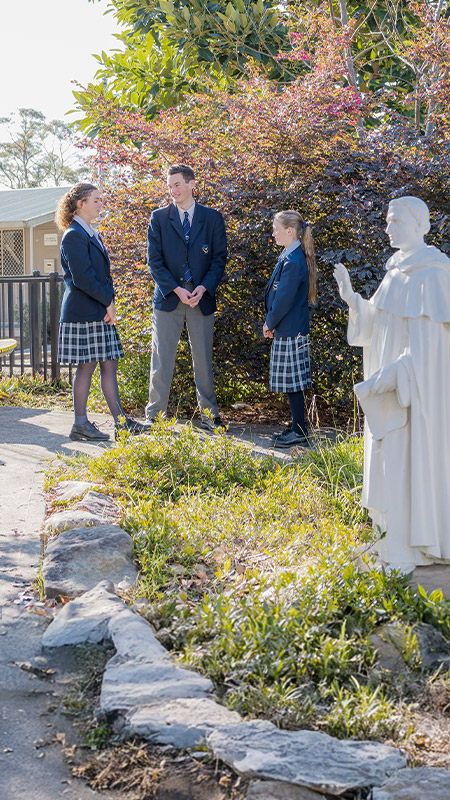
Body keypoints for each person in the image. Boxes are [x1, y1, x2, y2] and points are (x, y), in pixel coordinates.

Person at [334, 196, 450, 572]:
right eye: (387, 220)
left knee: (407, 461)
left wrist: (395, 375)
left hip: (410, 395)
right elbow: (379, 324)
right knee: (388, 462)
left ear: (421, 225)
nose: (387, 228)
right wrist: (354, 301)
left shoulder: (434, 275)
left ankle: (409, 547)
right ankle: (390, 541)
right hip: (386, 390)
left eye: (395, 221)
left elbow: (431, 352)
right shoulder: (395, 272)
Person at [55, 182, 151, 441]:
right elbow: (83, 279)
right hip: (84, 312)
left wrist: (110, 302)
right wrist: (108, 302)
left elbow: (102, 275)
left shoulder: (88, 232)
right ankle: (80, 424)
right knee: (87, 367)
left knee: (110, 364)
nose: (101, 203)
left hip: (98, 310)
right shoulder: (74, 234)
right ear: (80, 204)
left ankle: (121, 423)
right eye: (96, 200)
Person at [146, 164, 227, 431]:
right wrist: (176, 289)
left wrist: (203, 288)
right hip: (169, 298)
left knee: (203, 360)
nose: (172, 190)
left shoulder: (213, 218)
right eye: (169, 186)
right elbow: (154, 262)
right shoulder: (158, 218)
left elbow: (219, 260)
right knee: (161, 359)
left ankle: (209, 416)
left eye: (177, 184)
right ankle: (155, 416)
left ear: (192, 184)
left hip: (200, 299)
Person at [264, 210, 317, 448]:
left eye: (276, 229)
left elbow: (283, 299)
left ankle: (299, 431)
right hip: (288, 328)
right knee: (291, 381)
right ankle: (296, 425)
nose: (273, 233)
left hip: (290, 329)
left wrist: (270, 322)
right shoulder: (289, 255)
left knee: (293, 382)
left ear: (289, 231)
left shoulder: (294, 261)